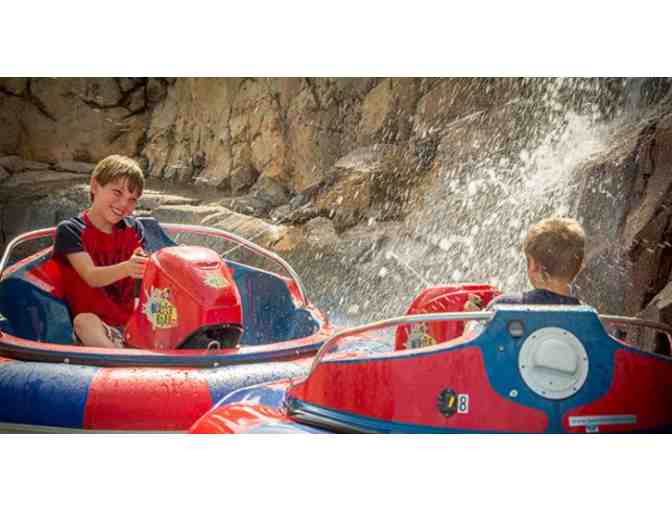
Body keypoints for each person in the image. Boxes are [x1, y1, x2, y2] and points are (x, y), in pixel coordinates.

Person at [52, 155, 148, 348]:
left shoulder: (134, 228)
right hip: (96, 328)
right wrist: (128, 268)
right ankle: (121, 359)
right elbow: (91, 276)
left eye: (132, 200)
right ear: (95, 186)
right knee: (84, 321)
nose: (123, 204)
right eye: (117, 192)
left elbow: (146, 276)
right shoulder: (71, 230)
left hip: (133, 324)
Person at [465, 217, 585, 310]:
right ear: (579, 267)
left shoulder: (504, 307)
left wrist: (471, 322)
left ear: (533, 265)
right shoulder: (589, 317)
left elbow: (477, 336)